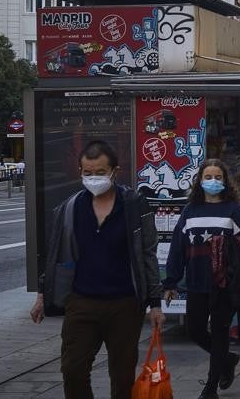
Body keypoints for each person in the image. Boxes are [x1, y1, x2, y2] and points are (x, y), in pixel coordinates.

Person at [31, 141, 164, 399]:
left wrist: (155, 304)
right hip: (81, 302)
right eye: (87, 172)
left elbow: (148, 254)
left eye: (100, 172)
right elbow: (55, 254)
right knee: (73, 370)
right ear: (80, 172)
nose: (93, 178)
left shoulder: (134, 205)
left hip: (125, 304)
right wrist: (41, 295)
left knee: (123, 376)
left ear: (115, 171)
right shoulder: (70, 208)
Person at [163, 159, 240, 399]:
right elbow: (178, 247)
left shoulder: (233, 210)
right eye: (208, 177)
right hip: (196, 282)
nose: (213, 181)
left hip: (223, 283)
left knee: (219, 332)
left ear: (225, 181)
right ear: (200, 180)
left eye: (218, 177)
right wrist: (171, 282)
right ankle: (227, 359)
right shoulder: (190, 210)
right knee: (194, 330)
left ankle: (210, 387)